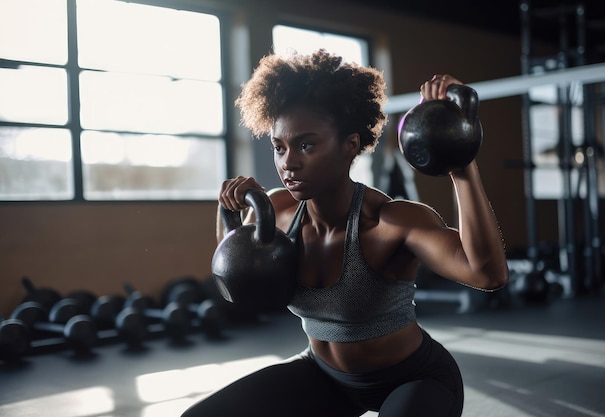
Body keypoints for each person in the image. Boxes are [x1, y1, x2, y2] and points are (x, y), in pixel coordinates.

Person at [182, 49, 509, 417]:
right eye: (279, 147)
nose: (288, 162)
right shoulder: (278, 211)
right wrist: (227, 213)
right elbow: (241, 281)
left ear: (350, 145)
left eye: (306, 144)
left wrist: (460, 160)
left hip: (413, 379)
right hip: (323, 376)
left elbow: (489, 274)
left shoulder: (391, 222)